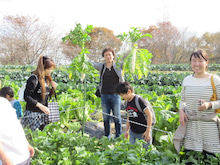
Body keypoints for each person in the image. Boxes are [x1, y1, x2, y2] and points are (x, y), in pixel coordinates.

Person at [174, 49, 220, 164]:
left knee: (211, 157)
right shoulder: (187, 80)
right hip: (191, 125)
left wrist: (209, 105)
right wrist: (181, 111)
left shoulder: (214, 79)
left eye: (200, 61)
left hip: (209, 126)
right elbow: (183, 100)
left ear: (206, 62)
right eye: (194, 61)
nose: (197, 64)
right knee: (190, 158)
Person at [89, 47, 123, 139]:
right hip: (104, 95)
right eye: (106, 55)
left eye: (109, 54)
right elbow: (91, 64)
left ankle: (118, 136)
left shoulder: (119, 65)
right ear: (104, 57)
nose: (108, 56)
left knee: (117, 117)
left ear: (113, 56)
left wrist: (133, 49)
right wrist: (83, 53)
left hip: (116, 95)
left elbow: (129, 61)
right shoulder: (101, 66)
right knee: (106, 117)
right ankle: (107, 135)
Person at [21, 55, 57, 131]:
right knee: (33, 137)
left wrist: (53, 89)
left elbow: (45, 95)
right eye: (49, 69)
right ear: (43, 67)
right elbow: (27, 96)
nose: (50, 71)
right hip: (33, 114)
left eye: (51, 69)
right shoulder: (33, 79)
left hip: (43, 114)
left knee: (41, 137)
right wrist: (40, 106)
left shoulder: (46, 78)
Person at [115, 81, 153, 150]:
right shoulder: (127, 102)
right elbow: (129, 116)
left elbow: (149, 115)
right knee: (132, 151)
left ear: (129, 92)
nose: (122, 97)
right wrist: (126, 130)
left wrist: (148, 132)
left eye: (122, 95)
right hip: (133, 132)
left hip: (143, 132)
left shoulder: (139, 100)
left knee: (146, 152)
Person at [0, 97, 35, 165]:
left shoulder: (3, 101)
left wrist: (26, 144)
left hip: (23, 154)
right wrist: (4, 159)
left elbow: (15, 125)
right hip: (10, 160)